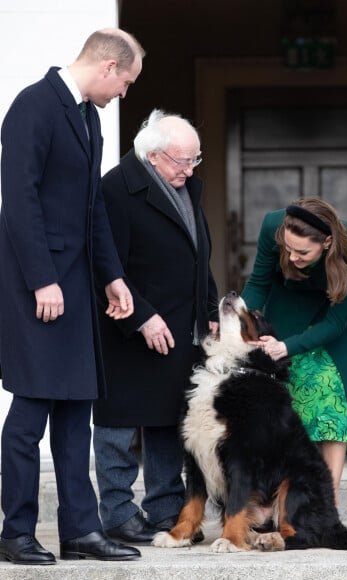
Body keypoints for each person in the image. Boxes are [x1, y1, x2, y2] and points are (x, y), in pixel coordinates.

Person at [0, 29, 145, 565]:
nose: (125, 94)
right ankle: (15, 533)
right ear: (108, 67)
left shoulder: (88, 119)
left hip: (79, 287)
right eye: (126, 82)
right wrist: (42, 280)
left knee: (74, 412)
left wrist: (113, 277)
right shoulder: (33, 106)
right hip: (38, 287)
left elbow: (92, 210)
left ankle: (80, 531)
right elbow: (18, 201)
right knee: (31, 408)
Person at [92, 109, 218, 545]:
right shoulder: (116, 189)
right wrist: (141, 316)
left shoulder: (184, 185)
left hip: (182, 326)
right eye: (181, 160)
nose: (189, 169)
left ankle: (165, 509)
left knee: (169, 420)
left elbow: (199, 256)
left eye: (194, 160)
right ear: (152, 155)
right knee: (119, 425)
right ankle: (118, 514)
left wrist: (209, 310)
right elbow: (106, 266)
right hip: (130, 326)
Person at [241, 197, 347, 503]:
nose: (292, 256)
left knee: (332, 402)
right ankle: (275, 498)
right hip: (286, 310)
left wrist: (287, 347)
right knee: (284, 406)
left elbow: (336, 323)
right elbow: (259, 283)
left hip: (334, 321)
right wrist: (238, 320)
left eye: (302, 252)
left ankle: (329, 501)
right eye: (288, 249)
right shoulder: (274, 226)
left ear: (327, 242)